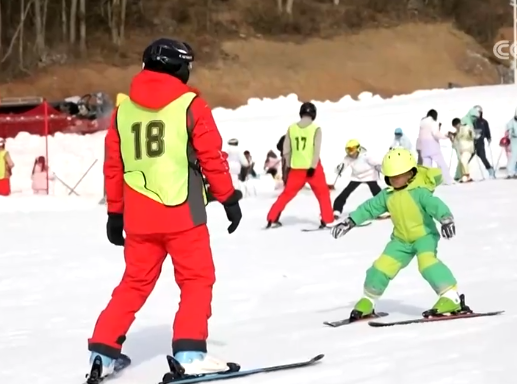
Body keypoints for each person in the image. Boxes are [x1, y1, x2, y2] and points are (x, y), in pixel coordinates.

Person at [89, 38, 243, 381]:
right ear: (178, 68)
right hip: (182, 215)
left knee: (134, 283)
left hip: (139, 218)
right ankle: (190, 353)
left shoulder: (122, 111)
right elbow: (211, 157)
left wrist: (116, 214)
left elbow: (114, 166)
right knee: (196, 280)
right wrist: (228, 198)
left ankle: (102, 351)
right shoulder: (191, 105)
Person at [330, 148, 468, 321]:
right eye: (392, 177)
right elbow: (369, 208)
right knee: (379, 268)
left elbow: (436, 205)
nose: (396, 180)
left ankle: (451, 297)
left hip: (424, 237)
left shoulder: (419, 192)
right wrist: (350, 221)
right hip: (401, 241)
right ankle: (368, 300)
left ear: (411, 172)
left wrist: (446, 219)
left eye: (400, 175)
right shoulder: (387, 196)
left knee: (427, 264)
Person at [266, 102, 335, 228]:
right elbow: (316, 149)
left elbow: (286, 149)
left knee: (287, 194)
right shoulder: (315, 129)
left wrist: (289, 164)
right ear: (313, 114)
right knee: (323, 194)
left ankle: (272, 217)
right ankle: (327, 219)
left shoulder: (292, 128)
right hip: (312, 168)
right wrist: (313, 166)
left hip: (296, 168)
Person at [332, 139, 382, 219]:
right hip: (357, 177)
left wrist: (383, 170)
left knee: (377, 192)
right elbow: (343, 164)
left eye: (352, 149)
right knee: (346, 192)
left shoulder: (367, 156)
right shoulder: (348, 157)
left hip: (370, 176)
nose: (350, 152)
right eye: (348, 150)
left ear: (358, 148)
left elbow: (378, 164)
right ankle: (336, 210)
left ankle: (385, 209)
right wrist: (339, 169)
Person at [415, 109, 451, 182]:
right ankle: (447, 180)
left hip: (424, 148)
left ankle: (426, 181)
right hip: (433, 147)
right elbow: (436, 134)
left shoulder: (422, 123)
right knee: (441, 164)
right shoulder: (433, 123)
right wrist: (446, 136)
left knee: (426, 167)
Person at [464, 106, 495, 178]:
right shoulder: (470, 121)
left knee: (483, 157)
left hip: (480, 142)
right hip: (471, 143)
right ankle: (463, 173)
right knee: (467, 158)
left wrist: (488, 137)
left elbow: (487, 130)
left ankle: (490, 171)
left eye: (479, 113)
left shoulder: (484, 122)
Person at [452, 117, 474, 183]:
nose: (456, 127)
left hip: (467, 149)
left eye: (457, 125)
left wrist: (471, 133)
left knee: (463, 160)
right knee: (461, 162)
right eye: (455, 127)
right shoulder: (457, 132)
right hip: (461, 150)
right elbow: (455, 143)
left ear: (459, 123)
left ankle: (466, 175)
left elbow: (471, 136)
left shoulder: (466, 128)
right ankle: (464, 176)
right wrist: (452, 138)